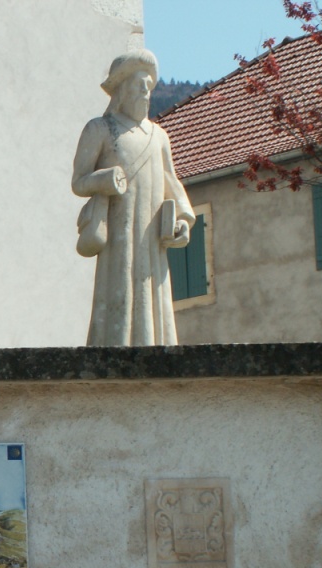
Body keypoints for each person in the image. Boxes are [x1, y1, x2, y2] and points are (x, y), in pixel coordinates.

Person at [72, 50, 194, 346]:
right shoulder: (100, 129)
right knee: (120, 289)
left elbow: (171, 181)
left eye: (149, 86)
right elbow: (79, 182)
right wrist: (104, 179)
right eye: (139, 84)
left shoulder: (159, 136)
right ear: (121, 89)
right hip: (120, 234)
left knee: (152, 291)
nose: (145, 91)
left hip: (152, 236)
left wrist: (183, 220)